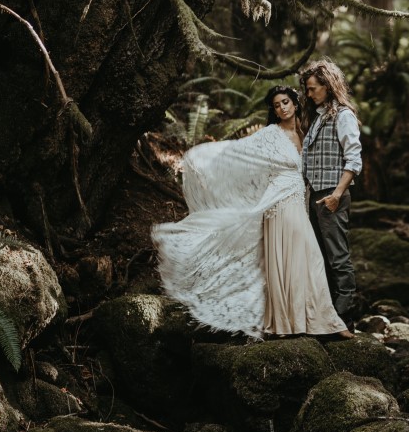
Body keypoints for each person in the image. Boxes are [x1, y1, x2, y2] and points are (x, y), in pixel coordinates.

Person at [151, 85, 352, 339]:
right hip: (280, 202)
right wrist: (202, 157)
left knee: (301, 260)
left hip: (298, 200)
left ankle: (301, 322)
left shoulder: (306, 132)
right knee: (307, 257)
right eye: (277, 105)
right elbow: (239, 154)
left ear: (296, 103)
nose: (282, 108)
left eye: (286, 102)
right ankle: (310, 323)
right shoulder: (270, 134)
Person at [299, 59, 362, 322]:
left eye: (313, 88)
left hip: (331, 195)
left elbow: (354, 159)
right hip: (314, 196)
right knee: (321, 258)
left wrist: (336, 195)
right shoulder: (318, 117)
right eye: (308, 89)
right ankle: (329, 316)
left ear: (328, 86)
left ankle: (346, 317)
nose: (309, 94)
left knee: (338, 258)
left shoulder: (343, 116)